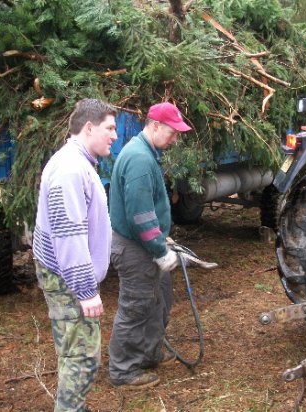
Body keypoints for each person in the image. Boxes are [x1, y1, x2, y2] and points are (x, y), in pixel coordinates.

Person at [32, 98, 117, 411]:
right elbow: (69, 235)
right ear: (89, 127)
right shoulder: (70, 169)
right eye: (109, 128)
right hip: (68, 279)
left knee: (73, 352)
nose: (114, 135)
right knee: (81, 357)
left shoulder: (77, 162)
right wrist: (85, 290)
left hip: (64, 275)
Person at [108, 102, 191, 389]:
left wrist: (161, 238)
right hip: (135, 248)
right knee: (136, 307)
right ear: (155, 125)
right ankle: (123, 371)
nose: (175, 138)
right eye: (172, 132)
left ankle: (149, 352)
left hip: (146, 242)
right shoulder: (140, 160)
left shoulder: (146, 152)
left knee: (160, 301)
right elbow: (139, 215)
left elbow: (147, 209)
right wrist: (159, 249)